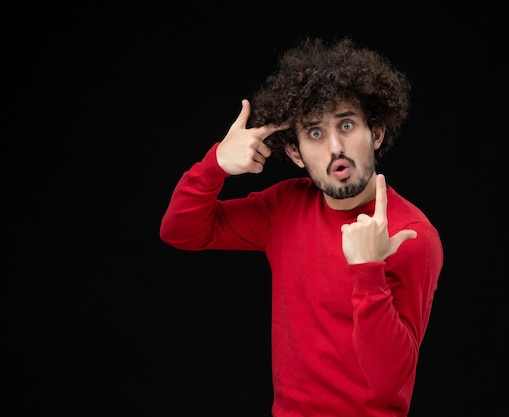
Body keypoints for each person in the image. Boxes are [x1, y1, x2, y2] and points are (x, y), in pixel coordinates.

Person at [160, 37, 444, 417]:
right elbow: (181, 231)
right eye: (314, 133)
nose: (335, 148)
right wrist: (215, 164)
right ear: (294, 153)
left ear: (375, 133)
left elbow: (389, 380)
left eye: (346, 125)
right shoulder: (284, 208)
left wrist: (368, 271)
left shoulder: (411, 234)